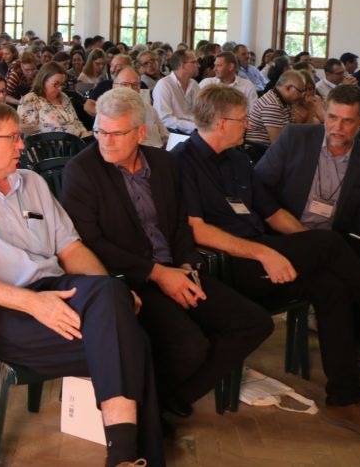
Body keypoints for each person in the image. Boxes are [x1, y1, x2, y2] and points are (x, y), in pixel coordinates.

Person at [172, 84, 360, 447]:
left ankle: (345, 399)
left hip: (262, 252)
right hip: (226, 267)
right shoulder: (183, 161)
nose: (249, 126)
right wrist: (269, 253)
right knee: (327, 246)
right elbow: (198, 230)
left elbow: (272, 213)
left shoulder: (239, 158)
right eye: (243, 121)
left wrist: (308, 244)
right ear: (221, 122)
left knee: (330, 285)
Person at [0, 103, 163, 467]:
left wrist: (111, 296)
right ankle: (129, 454)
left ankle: (123, 456)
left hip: (56, 288)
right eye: (14, 138)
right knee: (134, 340)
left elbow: (71, 249)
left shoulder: (32, 182)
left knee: (114, 301)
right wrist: (33, 304)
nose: (22, 146)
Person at [61, 88, 272, 419]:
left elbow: (178, 223)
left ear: (141, 132)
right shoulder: (83, 170)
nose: (106, 141)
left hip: (176, 268)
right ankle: (149, 413)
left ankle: (168, 403)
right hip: (130, 280)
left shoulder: (161, 162)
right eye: (101, 131)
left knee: (253, 323)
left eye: (117, 133)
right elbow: (91, 243)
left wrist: (187, 264)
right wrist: (158, 274)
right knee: (190, 346)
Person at [254, 84, 360, 348]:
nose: (337, 127)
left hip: (334, 239)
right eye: (332, 117)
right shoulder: (295, 138)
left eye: (347, 121)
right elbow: (258, 187)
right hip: (287, 235)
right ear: (325, 113)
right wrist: (283, 222)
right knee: (339, 274)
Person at [92, 69, 168, 148]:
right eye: (125, 84)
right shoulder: (106, 109)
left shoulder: (148, 108)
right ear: (114, 86)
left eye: (135, 85)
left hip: (157, 153)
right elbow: (104, 140)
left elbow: (165, 136)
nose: (130, 89)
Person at [17, 62, 89, 137]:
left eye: (62, 84)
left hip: (75, 144)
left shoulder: (64, 97)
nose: (60, 88)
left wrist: (84, 133)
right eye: (56, 84)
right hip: (48, 146)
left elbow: (76, 122)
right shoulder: (30, 99)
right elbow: (24, 130)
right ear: (43, 81)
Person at [246, 69, 305, 145]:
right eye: (300, 91)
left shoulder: (281, 100)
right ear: (288, 88)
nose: (302, 95)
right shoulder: (272, 104)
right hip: (260, 151)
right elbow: (277, 143)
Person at [151, 50, 200, 134]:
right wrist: (194, 127)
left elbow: (201, 111)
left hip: (196, 130)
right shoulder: (164, 85)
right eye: (194, 62)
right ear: (182, 65)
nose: (198, 65)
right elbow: (164, 119)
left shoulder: (194, 84)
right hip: (173, 134)